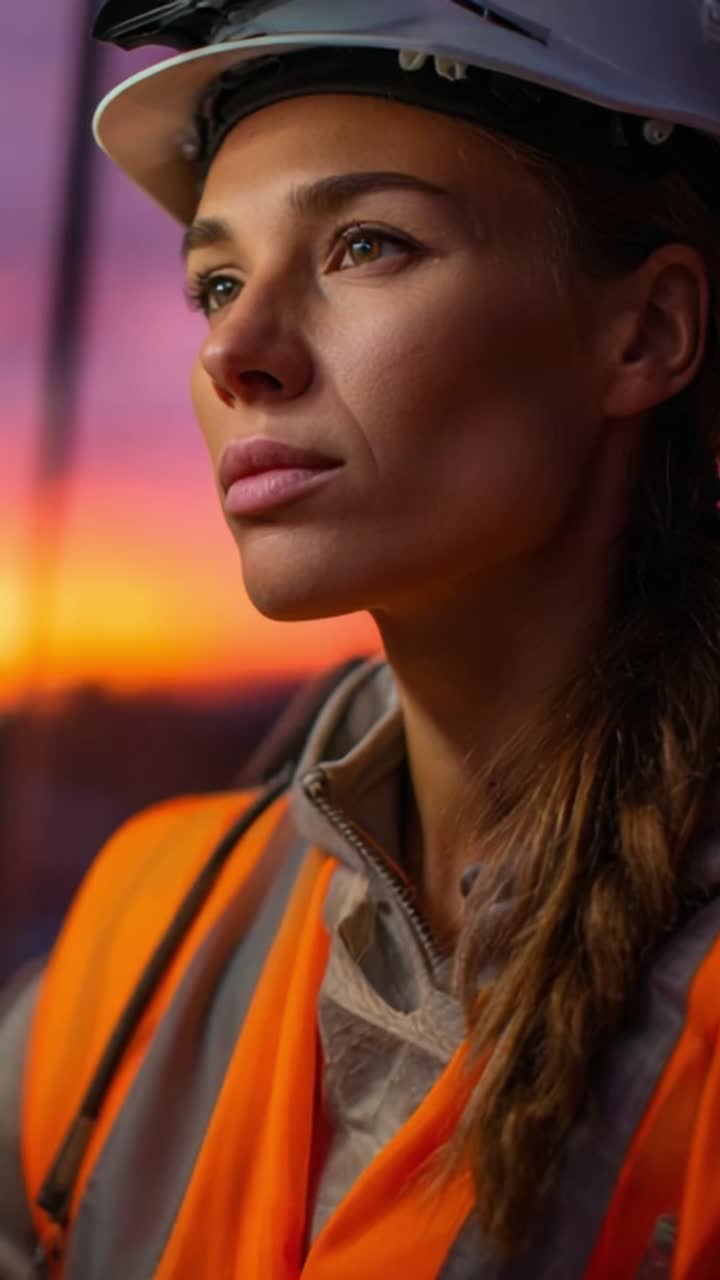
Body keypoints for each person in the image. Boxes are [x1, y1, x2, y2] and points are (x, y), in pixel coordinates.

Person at [2, 2, 720, 1275]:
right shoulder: (143, 928)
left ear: (649, 332)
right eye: (217, 282)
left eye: (366, 245)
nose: (235, 350)